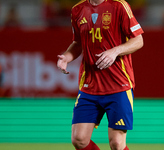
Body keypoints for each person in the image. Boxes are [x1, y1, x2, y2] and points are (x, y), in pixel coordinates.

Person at [57, 0, 144, 149]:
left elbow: (138, 40)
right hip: (89, 86)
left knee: (117, 143)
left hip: (118, 85)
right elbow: (78, 43)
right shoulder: (77, 10)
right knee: (79, 139)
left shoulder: (119, 6)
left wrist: (115, 51)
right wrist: (66, 57)